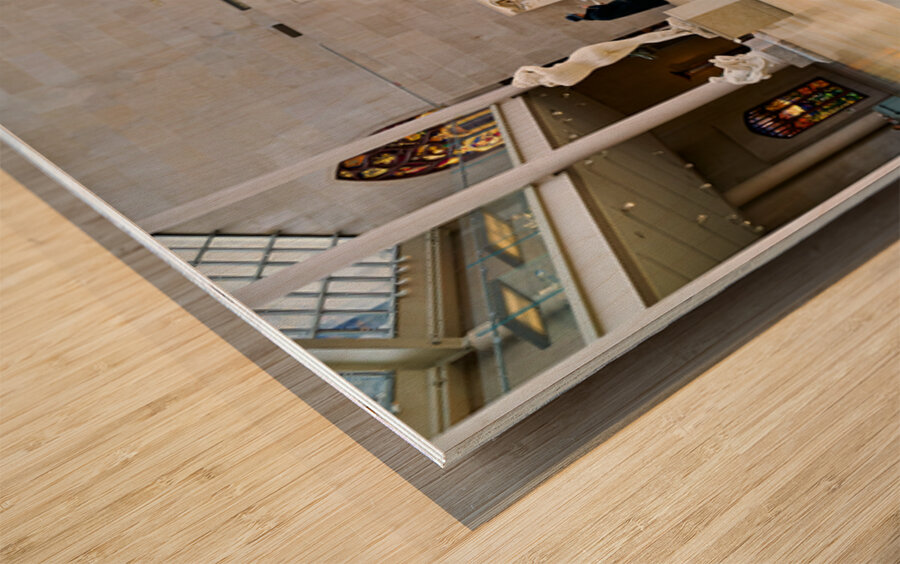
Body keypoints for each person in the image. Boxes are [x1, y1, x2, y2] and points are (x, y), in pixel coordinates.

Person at [565, 0, 668, 21]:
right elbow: (604, 8)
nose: (578, 12)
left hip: (625, 5)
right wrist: (588, 7)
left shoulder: (592, 15)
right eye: (576, 14)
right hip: (627, 6)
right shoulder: (595, 16)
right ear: (578, 16)